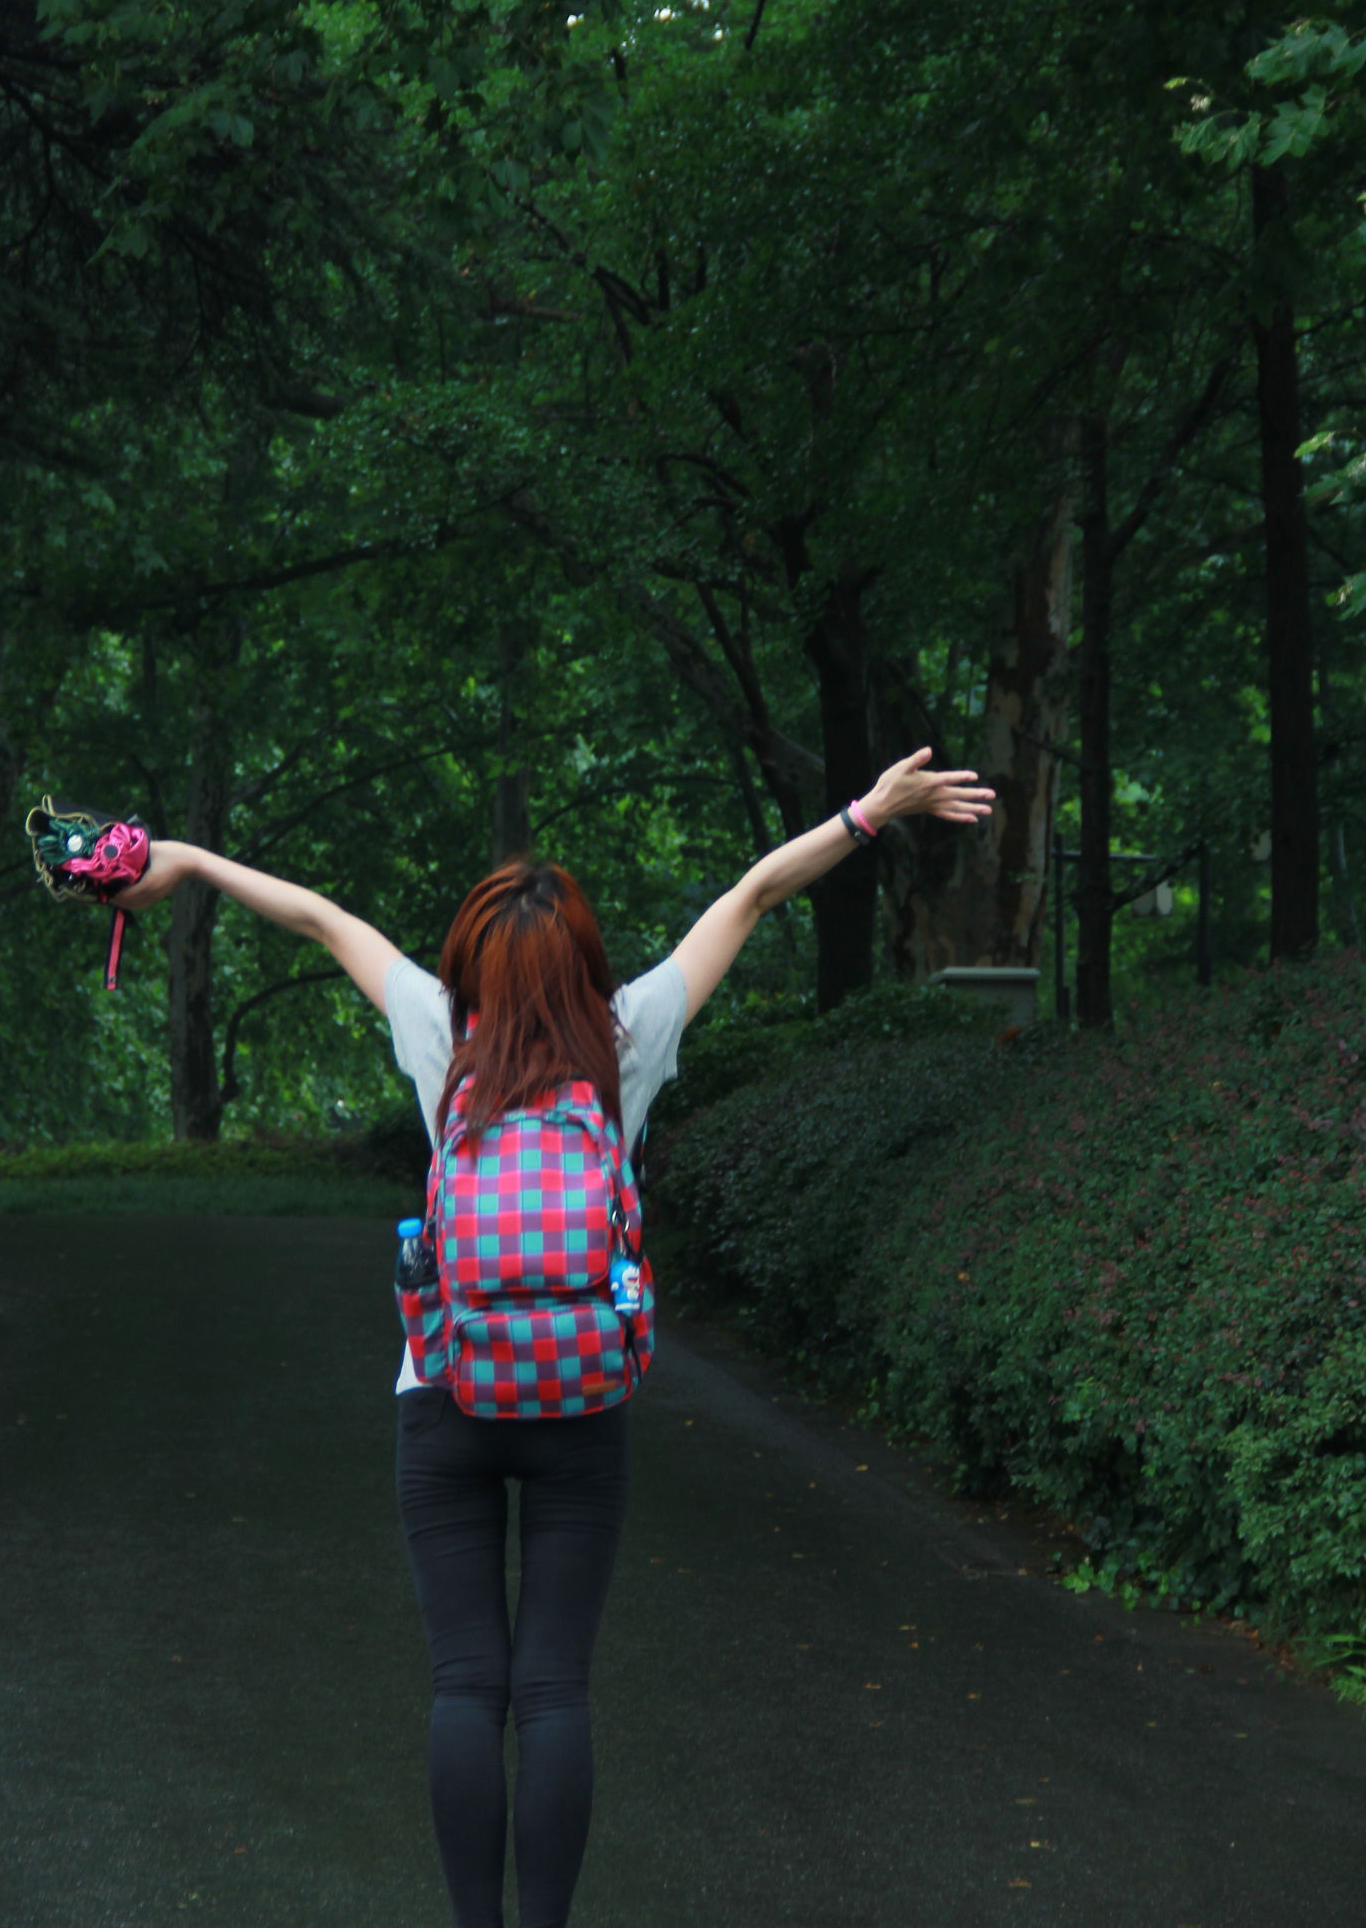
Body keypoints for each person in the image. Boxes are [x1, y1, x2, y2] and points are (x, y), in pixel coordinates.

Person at [119, 744, 993, 1928]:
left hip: (446, 1390)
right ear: (583, 959)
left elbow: (319, 918)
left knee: (466, 1683)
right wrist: (867, 813)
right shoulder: (624, 1036)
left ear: (470, 963)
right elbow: (753, 894)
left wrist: (182, 858)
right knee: (553, 1689)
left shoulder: (438, 1030)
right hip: (582, 1400)